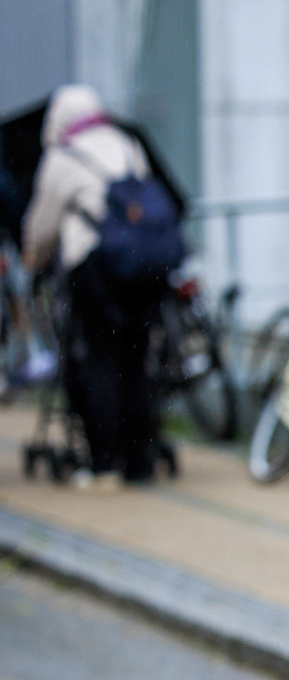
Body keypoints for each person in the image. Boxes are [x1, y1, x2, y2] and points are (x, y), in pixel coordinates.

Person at [21, 85, 169, 486]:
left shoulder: (62, 158)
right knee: (137, 362)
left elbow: (41, 227)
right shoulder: (126, 143)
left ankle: (105, 463)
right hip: (141, 266)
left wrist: (32, 259)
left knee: (100, 361)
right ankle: (140, 460)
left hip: (95, 267)